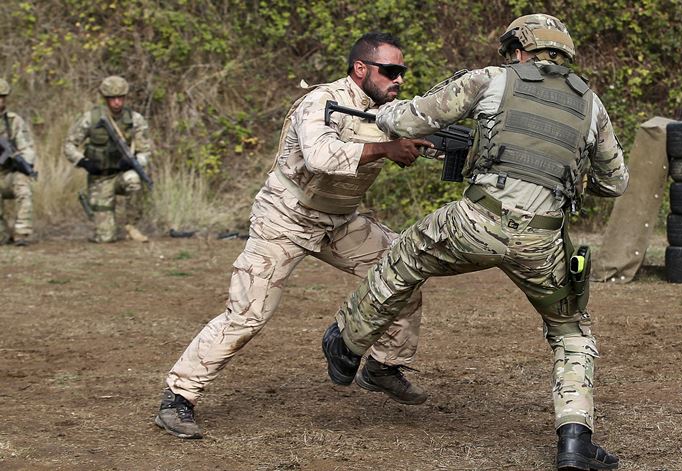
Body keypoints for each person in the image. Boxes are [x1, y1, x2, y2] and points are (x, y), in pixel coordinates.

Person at [322, 15, 629, 471]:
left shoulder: (490, 80)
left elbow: (412, 116)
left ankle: (347, 348)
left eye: (512, 52)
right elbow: (615, 181)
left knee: (405, 256)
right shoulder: (592, 106)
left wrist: (383, 114)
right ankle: (575, 442)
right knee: (571, 334)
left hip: (476, 221)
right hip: (542, 239)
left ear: (521, 51)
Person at [155, 32, 434, 439]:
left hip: (339, 220)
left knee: (403, 270)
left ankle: (383, 366)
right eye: (390, 71)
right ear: (361, 69)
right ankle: (178, 396)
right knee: (248, 315)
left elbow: (418, 134)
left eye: (402, 72)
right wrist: (386, 150)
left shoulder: (389, 111)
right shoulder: (321, 102)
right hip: (285, 217)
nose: (399, 79)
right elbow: (319, 157)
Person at [64, 75, 151, 243]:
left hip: (121, 175)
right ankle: (104, 224)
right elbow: (69, 144)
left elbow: (146, 151)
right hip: (99, 178)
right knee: (105, 238)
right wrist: (83, 162)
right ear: (105, 99)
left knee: (134, 179)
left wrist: (134, 161)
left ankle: (131, 226)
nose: (117, 102)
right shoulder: (91, 118)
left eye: (121, 98)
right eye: (113, 98)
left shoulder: (135, 119)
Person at [0, 78, 38, 246]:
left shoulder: (13, 121)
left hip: (7, 175)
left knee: (23, 182)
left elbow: (28, 148)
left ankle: (21, 233)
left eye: (2, 97)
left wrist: (20, 161)